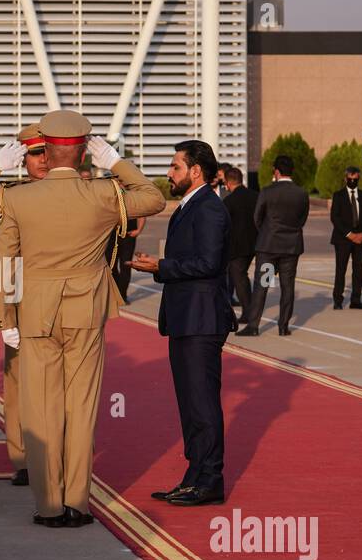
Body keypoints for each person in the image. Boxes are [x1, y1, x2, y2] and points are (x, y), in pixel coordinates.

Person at [0, 110, 165, 528]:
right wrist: (116, 161)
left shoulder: (16, 197)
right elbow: (154, 197)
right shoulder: (104, 193)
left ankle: (50, 505)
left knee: (40, 408)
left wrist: (6, 316)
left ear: (46, 152)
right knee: (82, 405)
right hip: (85, 309)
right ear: (85, 152)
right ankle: (77, 502)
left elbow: (6, 264)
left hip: (34, 311)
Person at [131, 140, 236, 508]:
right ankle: (194, 476)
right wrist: (161, 265)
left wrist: (160, 266)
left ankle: (209, 480)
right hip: (186, 318)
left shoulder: (208, 208)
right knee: (190, 404)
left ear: (195, 171)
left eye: (175, 167)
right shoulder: (190, 206)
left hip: (201, 319)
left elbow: (208, 264)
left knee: (202, 404)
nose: (169, 173)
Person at [0, 123, 43, 487]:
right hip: (20, 297)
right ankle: (24, 457)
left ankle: (59, 452)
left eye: (49, 152)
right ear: (22, 159)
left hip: (63, 298)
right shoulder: (7, 195)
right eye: (34, 154)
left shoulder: (80, 190)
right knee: (18, 384)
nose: (42, 160)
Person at [237, 155, 308, 336]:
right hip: (291, 248)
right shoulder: (301, 193)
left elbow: (257, 217)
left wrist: (267, 232)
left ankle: (253, 326)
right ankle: (283, 326)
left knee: (262, 285)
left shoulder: (268, 191)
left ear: (276, 171)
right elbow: (302, 219)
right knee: (287, 286)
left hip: (269, 248)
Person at [329, 164, 362, 310]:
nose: (353, 182)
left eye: (355, 179)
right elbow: (335, 217)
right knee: (340, 270)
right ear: (346, 178)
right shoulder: (338, 195)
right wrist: (350, 234)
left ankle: (356, 300)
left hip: (361, 238)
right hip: (343, 239)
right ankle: (338, 300)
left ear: (359, 178)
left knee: (358, 270)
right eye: (350, 179)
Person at [221, 165, 257, 318]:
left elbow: (223, 225)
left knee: (239, 277)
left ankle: (248, 312)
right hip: (256, 243)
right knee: (250, 277)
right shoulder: (256, 196)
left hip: (237, 247)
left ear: (228, 183)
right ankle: (251, 307)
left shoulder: (229, 201)